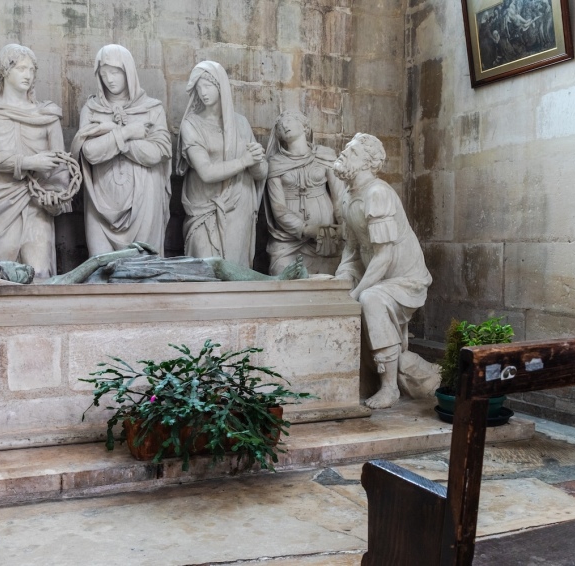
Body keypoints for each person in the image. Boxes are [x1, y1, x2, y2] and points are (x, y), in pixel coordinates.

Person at [333, 133, 438, 409]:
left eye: (352, 151)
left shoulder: (377, 193)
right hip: (378, 271)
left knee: (371, 299)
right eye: (346, 148)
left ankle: (389, 388)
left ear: (368, 163)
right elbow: (353, 248)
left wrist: (356, 292)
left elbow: (384, 255)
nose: (344, 153)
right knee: (338, 291)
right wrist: (342, 278)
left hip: (404, 279)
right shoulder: (348, 195)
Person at [0, 44, 75, 278]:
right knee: (0, 275)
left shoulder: (47, 115)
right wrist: (29, 162)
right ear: (5, 71)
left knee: (39, 271)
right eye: (22, 68)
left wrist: (55, 196)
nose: (29, 75)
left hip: (35, 201)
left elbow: (60, 165)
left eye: (32, 69)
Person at [71, 44, 172, 256]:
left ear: (128, 72)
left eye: (115, 71)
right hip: (100, 201)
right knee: (101, 270)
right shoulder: (91, 109)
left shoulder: (152, 109)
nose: (109, 79)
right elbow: (90, 152)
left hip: (144, 200)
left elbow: (155, 154)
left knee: (146, 272)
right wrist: (126, 133)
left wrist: (111, 137)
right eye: (104, 72)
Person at [175, 61, 268, 268]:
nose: (203, 92)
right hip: (203, 208)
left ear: (220, 87)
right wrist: (244, 161)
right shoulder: (191, 125)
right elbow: (206, 172)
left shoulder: (241, 123)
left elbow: (261, 174)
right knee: (204, 269)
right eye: (198, 88)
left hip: (238, 205)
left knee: (235, 270)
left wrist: (256, 162)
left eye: (207, 86)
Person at [0, 243, 308, 285]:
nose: (20, 266)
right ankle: (275, 283)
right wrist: (126, 252)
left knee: (215, 265)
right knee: (215, 265)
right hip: (129, 276)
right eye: (13, 269)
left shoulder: (41, 284)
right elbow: (93, 263)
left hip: (129, 273)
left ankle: (273, 283)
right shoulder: (45, 287)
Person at [264, 111, 344, 276]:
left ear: (305, 126)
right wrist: (307, 229)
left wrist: (342, 228)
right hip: (288, 240)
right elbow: (279, 209)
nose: (284, 125)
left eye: (289, 120)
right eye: (280, 125)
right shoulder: (275, 163)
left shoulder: (325, 155)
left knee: (334, 278)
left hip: (327, 239)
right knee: (282, 274)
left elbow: (340, 197)